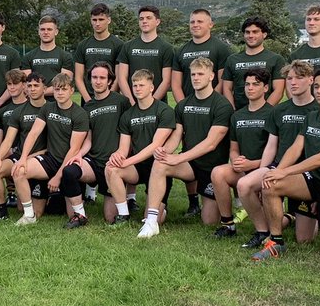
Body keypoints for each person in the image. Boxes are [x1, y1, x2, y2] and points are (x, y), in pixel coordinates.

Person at [250, 67, 320, 259]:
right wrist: (278, 170)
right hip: (311, 180)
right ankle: (276, 242)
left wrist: (285, 172)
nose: (319, 90)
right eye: (317, 86)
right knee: (270, 183)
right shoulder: (311, 117)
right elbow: (296, 148)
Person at [137, 57, 232, 238]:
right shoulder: (183, 105)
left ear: (212, 76)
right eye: (193, 74)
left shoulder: (222, 105)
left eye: (201, 74)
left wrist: (180, 157)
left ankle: (220, 206)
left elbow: (211, 143)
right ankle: (151, 221)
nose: (196, 78)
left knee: (209, 220)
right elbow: (176, 136)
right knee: (160, 163)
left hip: (213, 168)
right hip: (191, 164)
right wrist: (166, 151)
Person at [236, 61, 317, 248]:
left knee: (304, 239)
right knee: (245, 184)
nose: (293, 82)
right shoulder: (279, 110)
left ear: (311, 80)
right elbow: (272, 145)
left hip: (306, 172)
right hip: (279, 166)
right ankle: (263, 231)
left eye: (299, 77)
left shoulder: (318, 109)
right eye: (289, 78)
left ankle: (296, 216)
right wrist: (263, 169)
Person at [12, 72, 89, 225]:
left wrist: (58, 176)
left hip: (68, 164)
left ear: (71, 90)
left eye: (63, 89)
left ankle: (77, 203)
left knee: (71, 214)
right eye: (57, 89)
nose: (60, 93)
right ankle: (29, 215)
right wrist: (22, 158)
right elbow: (33, 133)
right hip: (50, 158)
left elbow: (74, 149)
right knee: (19, 170)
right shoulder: (48, 108)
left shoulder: (80, 114)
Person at [60, 62, 130, 226]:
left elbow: (129, 132)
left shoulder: (121, 102)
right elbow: (89, 138)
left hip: (114, 163)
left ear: (110, 81)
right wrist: (79, 155)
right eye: (94, 77)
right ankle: (81, 215)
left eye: (102, 78)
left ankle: (124, 201)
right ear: (90, 80)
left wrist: (123, 154)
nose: (98, 81)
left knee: (110, 217)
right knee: (70, 171)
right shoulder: (87, 107)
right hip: (94, 161)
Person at [209, 69, 277, 237]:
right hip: (243, 171)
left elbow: (277, 153)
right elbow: (233, 148)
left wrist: (253, 164)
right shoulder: (237, 115)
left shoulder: (274, 114)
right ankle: (228, 225)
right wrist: (236, 161)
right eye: (247, 84)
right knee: (218, 172)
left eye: (256, 84)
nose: (250, 88)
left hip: (266, 171)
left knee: (277, 222)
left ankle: (283, 218)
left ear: (266, 88)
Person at [105, 70, 177, 225]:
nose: (137, 89)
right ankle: (123, 215)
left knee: (153, 220)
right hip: (138, 167)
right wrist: (117, 156)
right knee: (111, 168)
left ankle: (161, 207)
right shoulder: (128, 115)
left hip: (159, 166)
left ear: (151, 87)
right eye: (135, 85)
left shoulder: (164, 110)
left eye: (141, 85)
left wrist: (127, 161)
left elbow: (155, 145)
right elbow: (124, 148)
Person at [0, 71, 48, 223]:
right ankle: (2, 211)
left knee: (37, 211)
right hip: (20, 156)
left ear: (44, 88)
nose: (32, 89)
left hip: (43, 158)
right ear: (26, 88)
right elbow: (8, 139)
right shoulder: (19, 111)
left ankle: (52, 198)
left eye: (36, 86)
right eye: (29, 86)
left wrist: (30, 157)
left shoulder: (51, 109)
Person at [222, 16, 286, 108]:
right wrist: (232, 111)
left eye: (255, 32)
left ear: (264, 34)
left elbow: (278, 91)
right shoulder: (232, 59)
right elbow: (227, 89)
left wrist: (264, 112)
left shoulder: (276, 59)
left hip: (266, 115)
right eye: (247, 32)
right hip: (238, 114)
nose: (251, 35)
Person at [116, 5, 175, 105]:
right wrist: (131, 102)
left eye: (148, 18)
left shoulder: (166, 48)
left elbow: (167, 81)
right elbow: (121, 78)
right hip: (132, 105)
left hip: (157, 105)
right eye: (141, 19)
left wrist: (150, 104)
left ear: (157, 21)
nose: (144, 21)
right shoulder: (127, 47)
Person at [172, 8, 232, 101]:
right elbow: (176, 85)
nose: (195, 25)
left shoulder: (221, 48)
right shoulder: (181, 51)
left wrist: (208, 103)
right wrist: (183, 107)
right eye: (192, 22)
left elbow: (223, 82)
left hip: (213, 105)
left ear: (210, 25)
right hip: (188, 107)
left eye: (200, 22)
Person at [74, 3, 124, 102]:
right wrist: (88, 100)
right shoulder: (83, 45)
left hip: (111, 100)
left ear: (108, 20)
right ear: (91, 21)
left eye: (101, 20)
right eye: (94, 20)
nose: (97, 23)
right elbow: (78, 78)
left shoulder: (119, 45)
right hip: (89, 100)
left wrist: (108, 99)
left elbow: (119, 77)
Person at [24, 15, 75, 96]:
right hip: (35, 104)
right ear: (38, 32)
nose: (46, 32)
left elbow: (65, 84)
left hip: (57, 104)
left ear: (56, 32)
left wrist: (39, 92)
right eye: (42, 29)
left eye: (49, 29)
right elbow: (26, 84)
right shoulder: (28, 56)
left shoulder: (65, 56)